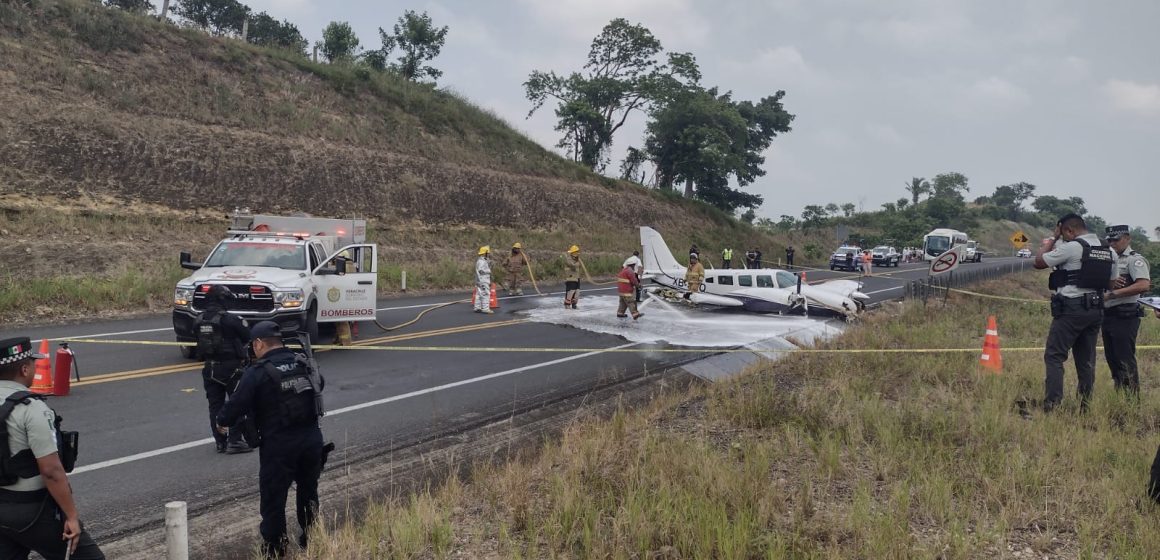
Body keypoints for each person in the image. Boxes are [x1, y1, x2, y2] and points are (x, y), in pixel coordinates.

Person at [217, 322, 326, 558]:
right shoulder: (303, 362)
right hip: (311, 439)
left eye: (252, 346)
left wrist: (221, 420)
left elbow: (235, 405)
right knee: (308, 492)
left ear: (259, 344)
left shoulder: (258, 372)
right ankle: (313, 538)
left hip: (279, 445)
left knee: (273, 500)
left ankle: (275, 549)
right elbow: (320, 384)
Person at [0, 337, 105, 560]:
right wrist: (72, 516)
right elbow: (51, 471)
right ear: (24, 368)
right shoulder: (32, 408)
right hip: (32, 511)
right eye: (33, 363)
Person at [1034, 213, 1117, 412]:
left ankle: (1052, 405)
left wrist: (1053, 238)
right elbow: (1111, 284)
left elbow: (1038, 262)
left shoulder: (1072, 247)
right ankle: (1084, 407)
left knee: (1055, 356)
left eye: (1063, 233)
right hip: (1095, 310)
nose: (1063, 237)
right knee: (1086, 360)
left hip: (1071, 309)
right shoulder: (1109, 251)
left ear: (1070, 230)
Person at [197, 284, 254, 454]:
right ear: (223, 299)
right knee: (236, 403)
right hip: (232, 369)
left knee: (215, 406)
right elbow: (248, 336)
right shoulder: (231, 320)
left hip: (210, 368)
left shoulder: (199, 320)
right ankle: (235, 440)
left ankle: (220, 442)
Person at [1101, 225, 1151, 394]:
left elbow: (1143, 284)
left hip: (1125, 315)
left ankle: (1131, 400)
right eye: (1109, 240)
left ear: (1127, 239)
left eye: (1116, 239)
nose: (1112, 243)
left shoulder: (1134, 259)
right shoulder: (1109, 259)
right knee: (1112, 359)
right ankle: (1121, 395)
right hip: (1107, 315)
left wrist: (1113, 294)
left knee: (1124, 359)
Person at [473, 246, 493, 314]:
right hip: (483, 280)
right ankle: (485, 308)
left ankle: (477, 307)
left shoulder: (481, 260)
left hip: (479, 280)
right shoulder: (482, 261)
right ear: (485, 253)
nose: (489, 254)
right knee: (486, 294)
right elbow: (481, 270)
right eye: (488, 253)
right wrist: (489, 270)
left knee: (479, 294)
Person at [564, 245, 581, 309]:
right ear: (573, 252)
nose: (578, 253)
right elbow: (573, 266)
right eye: (576, 252)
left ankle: (574, 305)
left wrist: (578, 261)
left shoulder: (577, 259)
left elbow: (578, 268)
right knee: (570, 292)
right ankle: (567, 305)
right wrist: (578, 262)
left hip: (577, 278)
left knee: (577, 292)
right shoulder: (568, 259)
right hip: (570, 278)